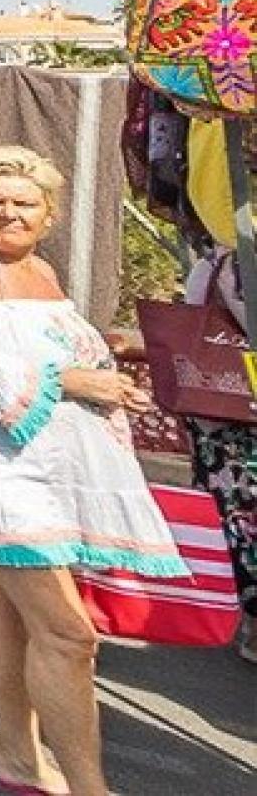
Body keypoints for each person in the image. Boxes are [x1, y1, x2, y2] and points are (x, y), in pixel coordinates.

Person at [0, 146, 186, 796]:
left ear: (49, 214)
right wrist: (77, 378)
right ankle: (91, 789)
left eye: (23, 201)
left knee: (11, 611)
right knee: (69, 633)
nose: (7, 211)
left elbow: (39, 341)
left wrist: (104, 348)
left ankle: (17, 761)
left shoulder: (40, 271)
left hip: (36, 468)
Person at [177, 239, 257, 664]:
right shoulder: (235, 258)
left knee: (235, 515)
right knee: (241, 515)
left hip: (219, 412)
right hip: (231, 418)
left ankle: (248, 619)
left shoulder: (218, 258)